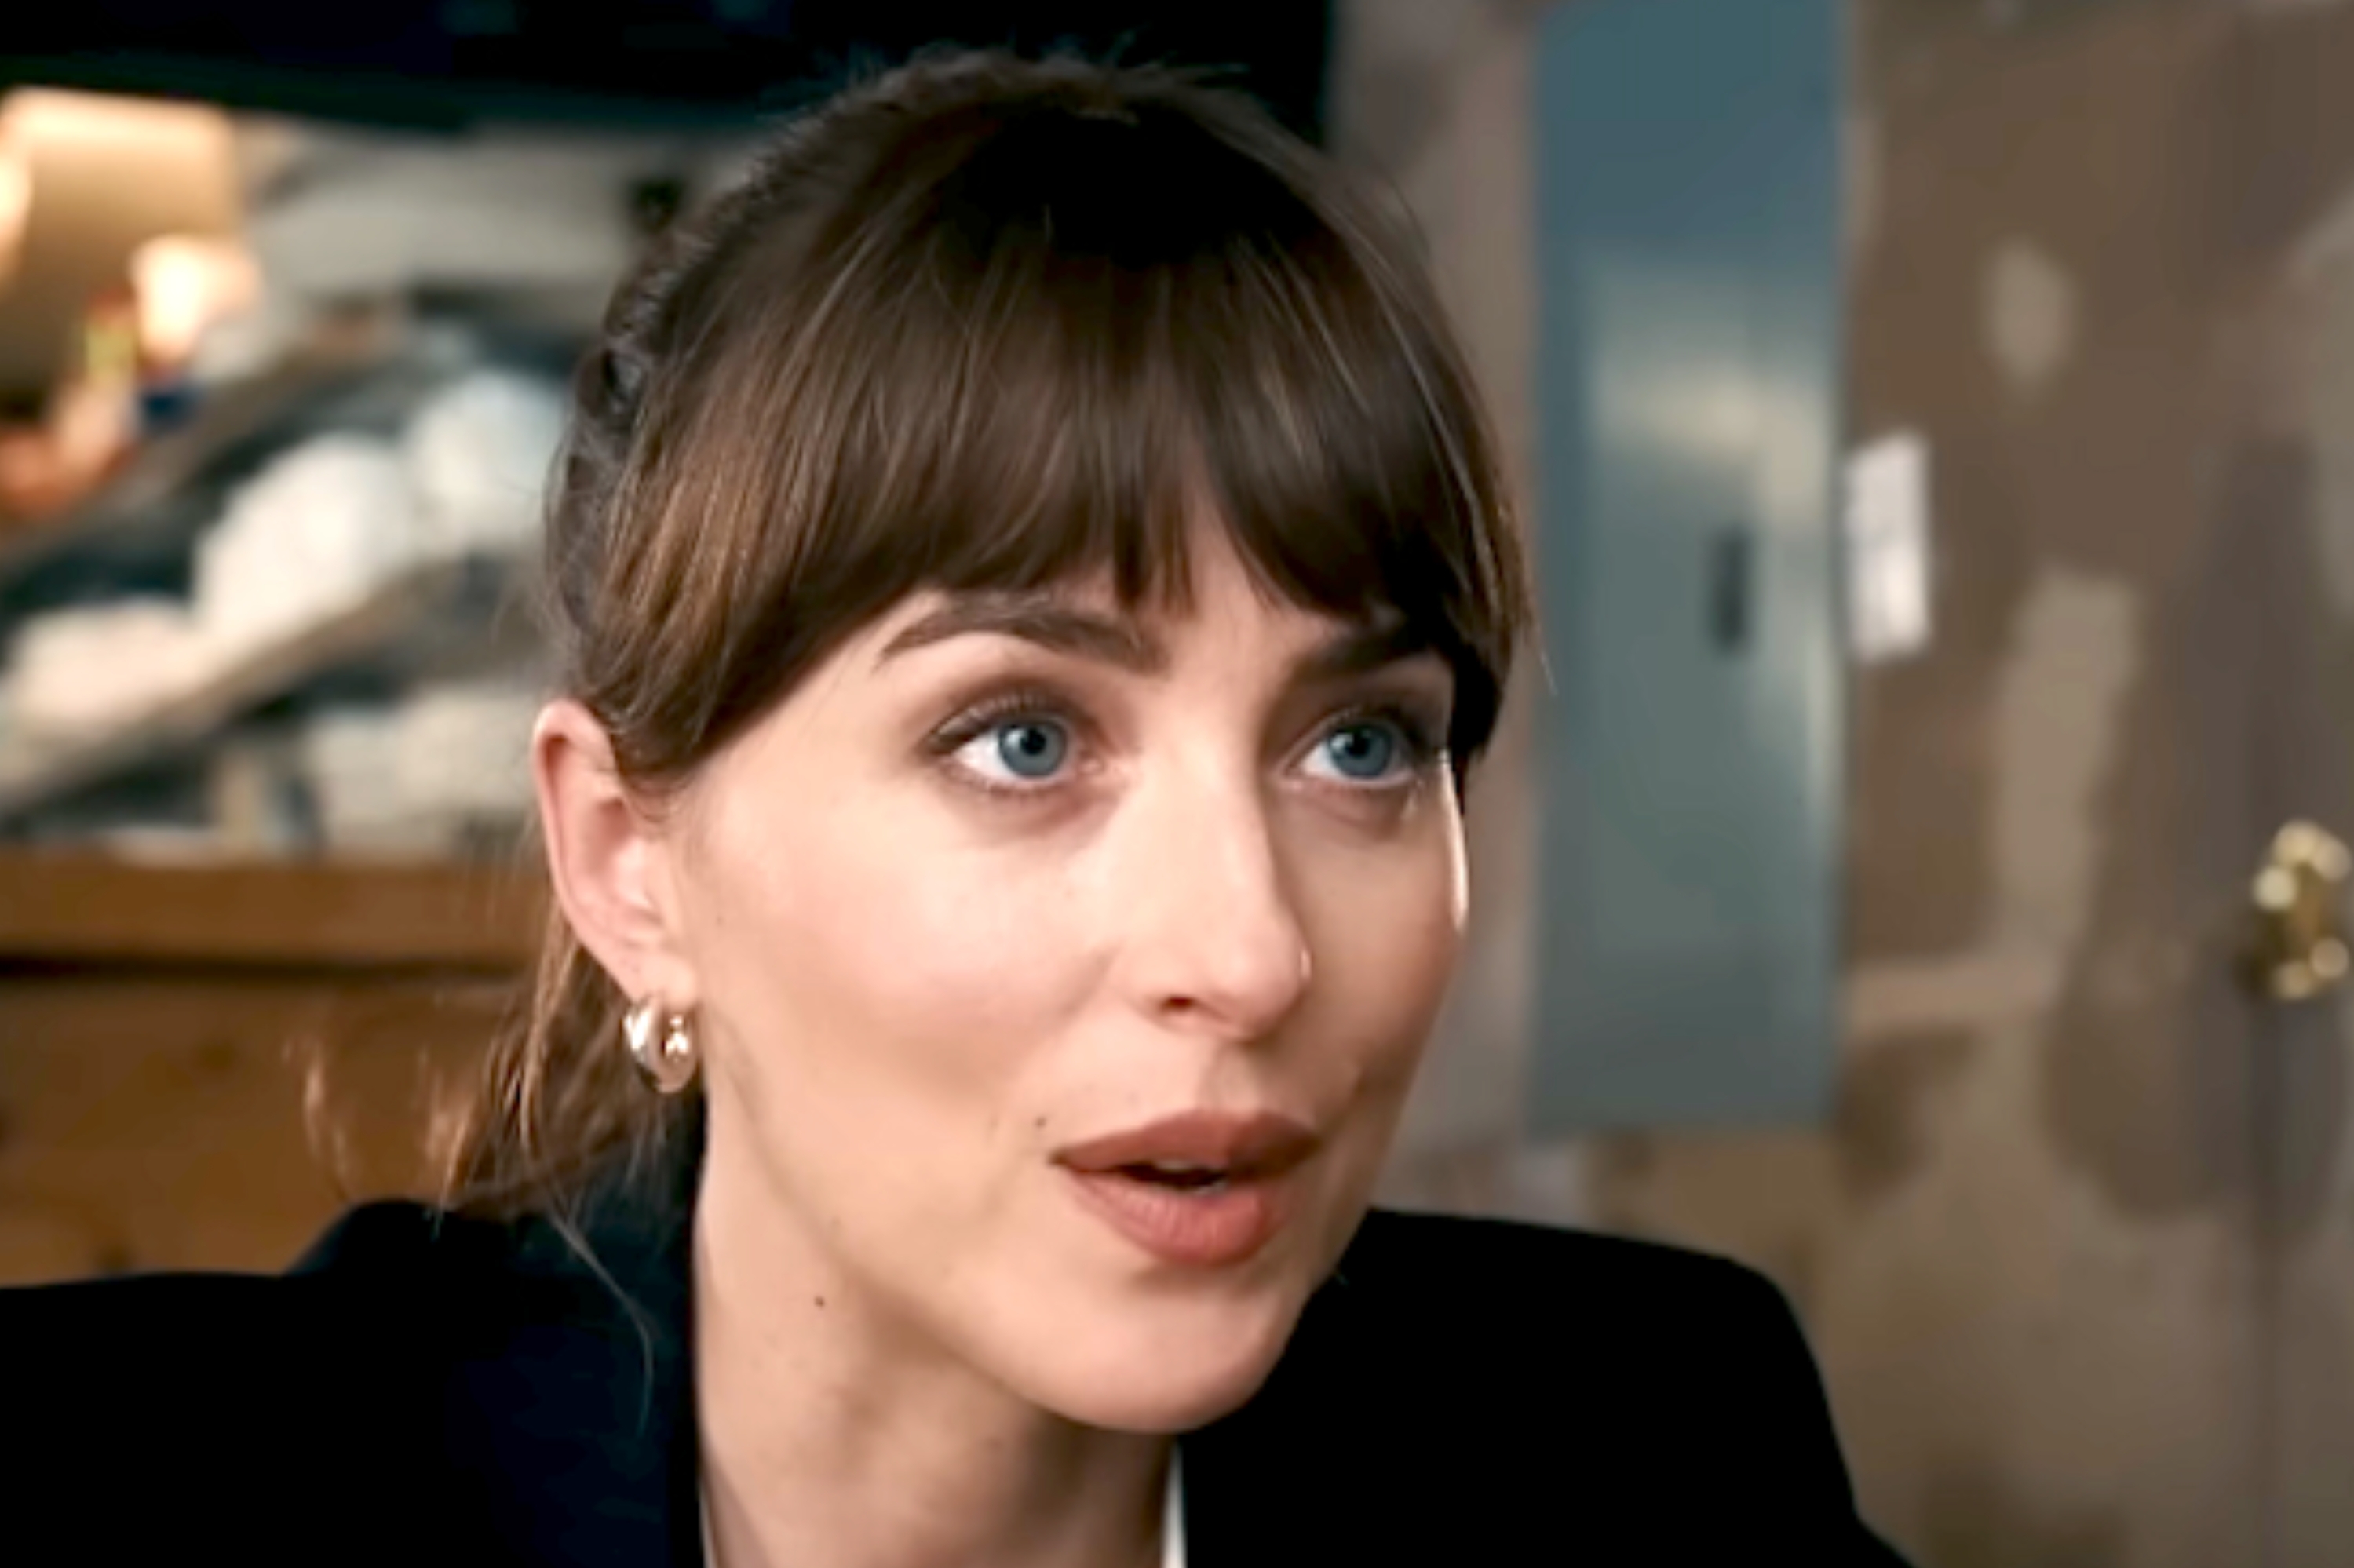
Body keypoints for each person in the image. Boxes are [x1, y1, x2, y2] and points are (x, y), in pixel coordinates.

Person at [7, 50, 1907, 1567]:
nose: (1248, 953)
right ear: (627, 858)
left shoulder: (1647, 1455)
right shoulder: (171, 1496)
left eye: (1361, 747)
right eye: (1021, 739)